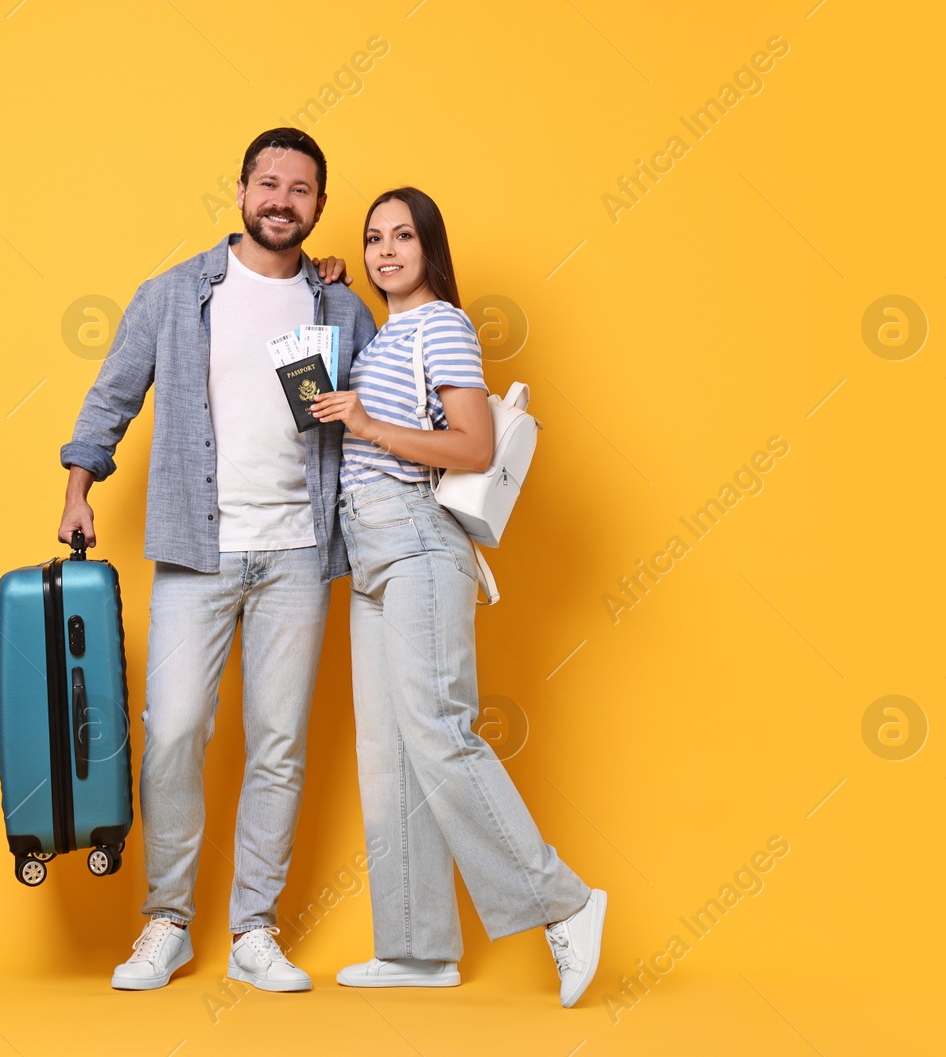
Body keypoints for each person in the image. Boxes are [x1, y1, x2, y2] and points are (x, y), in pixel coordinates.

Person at [59, 128, 376, 993]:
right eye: (268, 183)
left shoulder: (339, 308)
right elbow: (113, 394)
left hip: (300, 553)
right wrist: (79, 486)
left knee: (278, 744)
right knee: (176, 733)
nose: (282, 200)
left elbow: (376, 419)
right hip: (198, 549)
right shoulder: (173, 295)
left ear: (319, 204)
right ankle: (166, 920)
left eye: (301, 189)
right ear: (239, 191)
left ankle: (255, 929)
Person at [308, 187, 608, 1007]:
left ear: (431, 246)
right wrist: (327, 282)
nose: (386, 251)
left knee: (439, 731)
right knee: (390, 753)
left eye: (403, 236)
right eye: (373, 238)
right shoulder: (386, 334)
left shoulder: (442, 324)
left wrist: (367, 426)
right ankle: (414, 948)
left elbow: (473, 445)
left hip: (415, 538)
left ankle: (566, 904)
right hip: (368, 550)